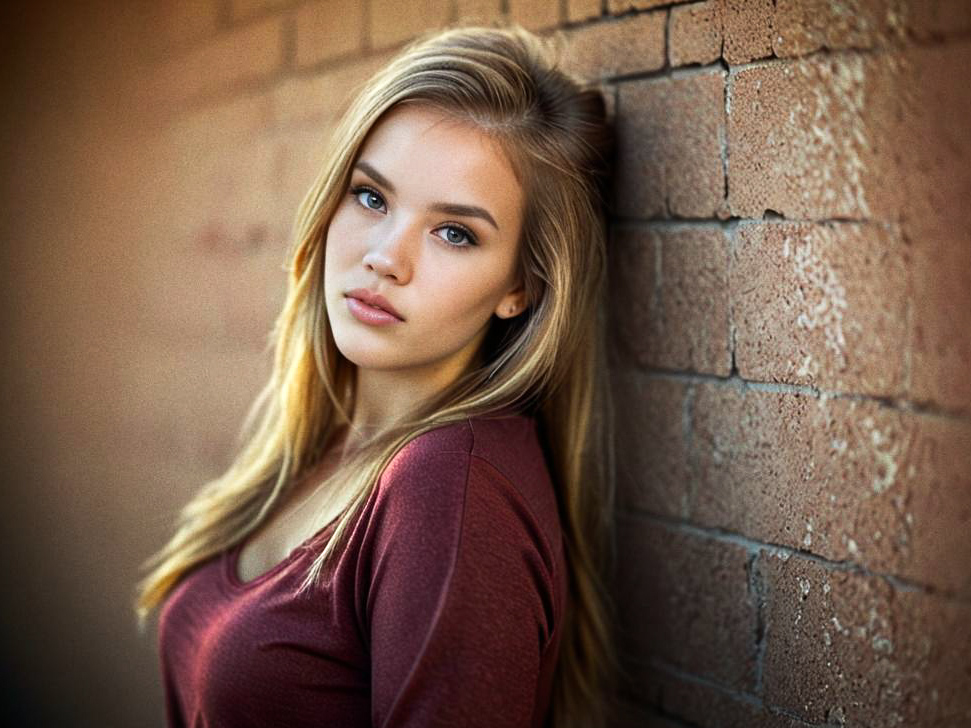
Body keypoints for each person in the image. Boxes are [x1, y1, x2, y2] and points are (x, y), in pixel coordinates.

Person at [134, 22, 617, 728]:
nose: (386, 256)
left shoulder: (449, 488)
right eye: (370, 197)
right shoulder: (320, 449)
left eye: (455, 232)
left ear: (521, 287)